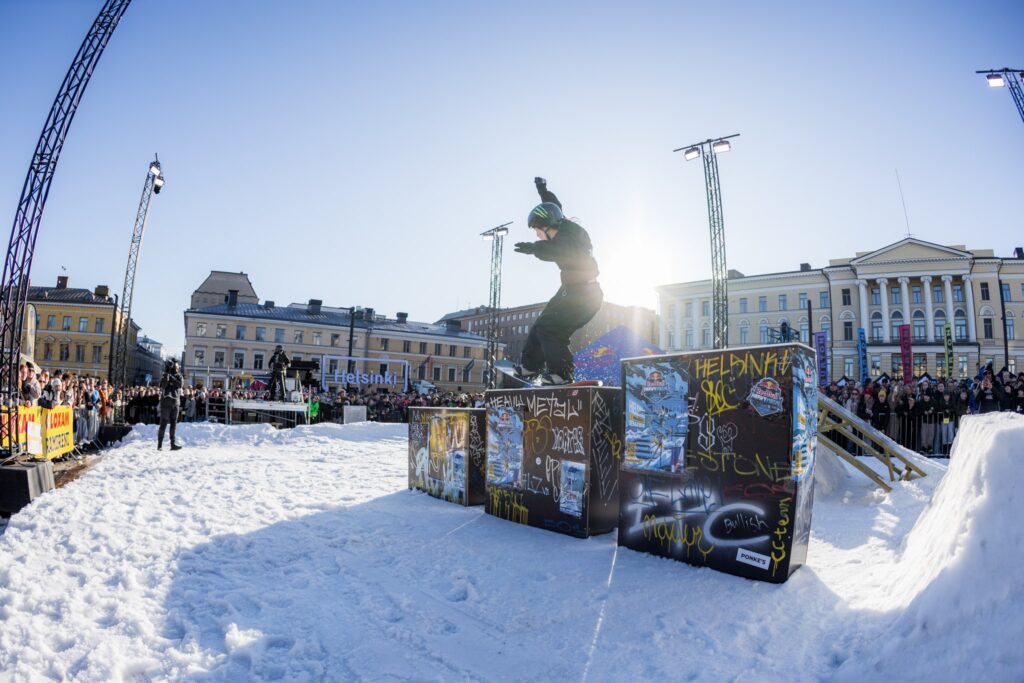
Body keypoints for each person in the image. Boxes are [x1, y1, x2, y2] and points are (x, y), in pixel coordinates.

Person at [512, 177, 602, 384]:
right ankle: (529, 367)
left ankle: (561, 374)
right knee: (542, 324)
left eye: (537, 231)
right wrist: (542, 189)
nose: (537, 235)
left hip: (583, 295)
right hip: (573, 292)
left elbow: (559, 251)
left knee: (549, 327)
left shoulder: (568, 240)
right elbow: (554, 206)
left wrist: (535, 248)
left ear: (545, 226)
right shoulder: (562, 224)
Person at [157, 358, 183, 451]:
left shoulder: (179, 376)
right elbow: (163, 386)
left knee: (174, 423)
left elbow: (180, 385)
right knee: (163, 423)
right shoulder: (165, 375)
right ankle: (159, 445)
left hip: (175, 402)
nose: (176, 367)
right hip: (166, 402)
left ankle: (172, 444)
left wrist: (172, 378)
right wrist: (167, 377)